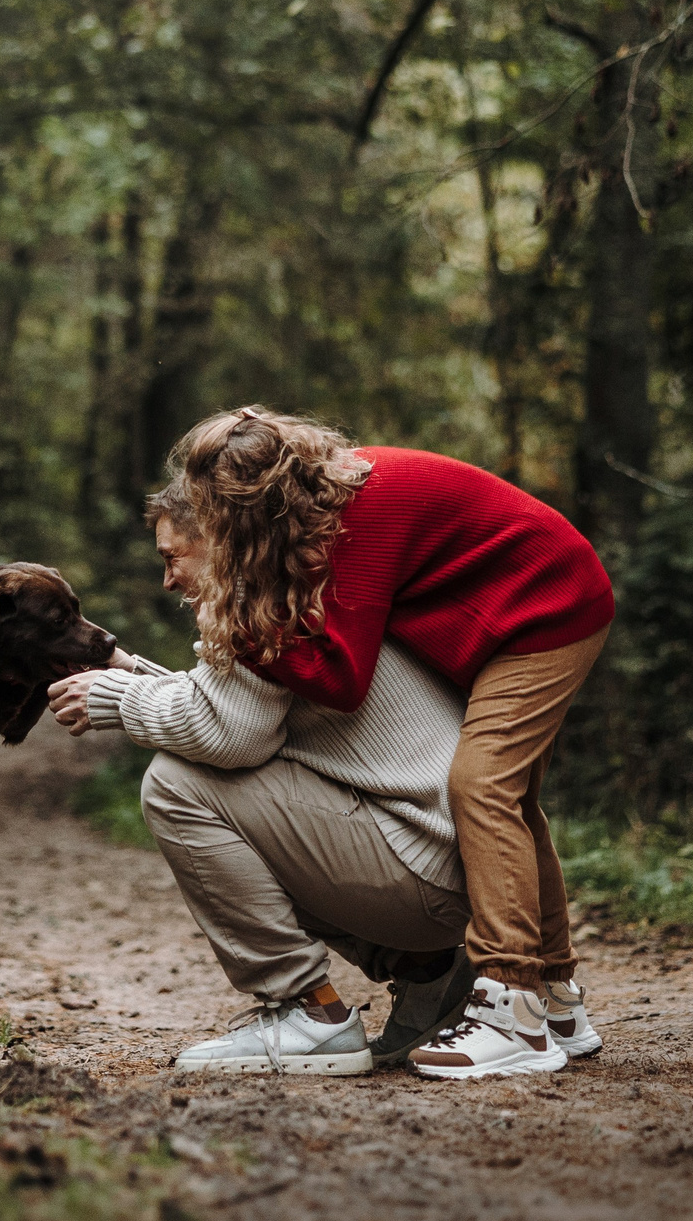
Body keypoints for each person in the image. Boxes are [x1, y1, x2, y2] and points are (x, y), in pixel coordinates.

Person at [153, 406, 614, 1079]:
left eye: (220, 517)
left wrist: (233, 632)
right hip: (513, 614)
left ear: (254, 505)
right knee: (512, 799)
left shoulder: (358, 517)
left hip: (548, 608)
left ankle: (513, 1004)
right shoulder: (328, 504)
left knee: (481, 784)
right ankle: (559, 1002)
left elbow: (340, 674)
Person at [45, 477, 484, 1073]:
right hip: (442, 857)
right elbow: (232, 708)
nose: (168, 578)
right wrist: (124, 671)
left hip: (420, 868)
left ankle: (310, 1011)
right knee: (217, 782)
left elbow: (229, 738)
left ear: (221, 542)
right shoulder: (295, 581)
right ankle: (428, 974)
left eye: (173, 556)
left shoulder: (259, 603)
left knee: (177, 786)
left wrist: (117, 700)